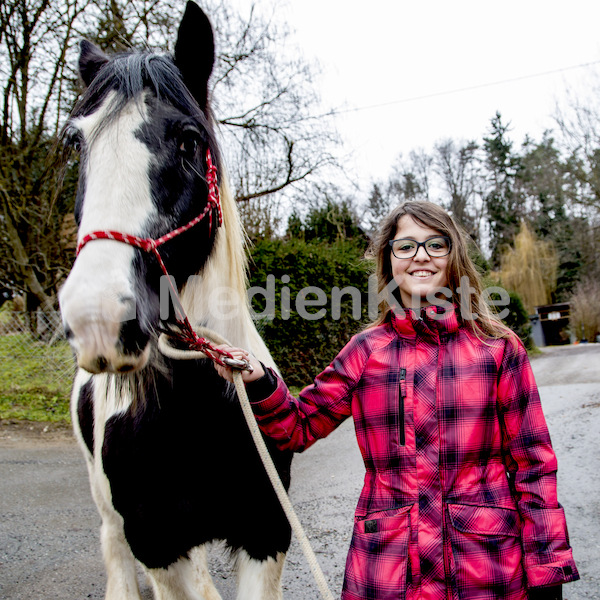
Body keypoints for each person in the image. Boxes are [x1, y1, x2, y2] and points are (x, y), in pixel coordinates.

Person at [215, 201, 579, 600]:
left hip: (487, 566)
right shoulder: (365, 351)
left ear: (453, 255)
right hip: (388, 571)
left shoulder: (497, 349)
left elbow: (533, 465)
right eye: (406, 246)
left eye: (435, 245)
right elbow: (296, 428)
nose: (421, 256)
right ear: (389, 261)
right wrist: (257, 379)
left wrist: (546, 567)